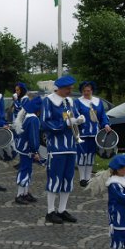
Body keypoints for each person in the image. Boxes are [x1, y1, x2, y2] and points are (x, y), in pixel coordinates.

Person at [41, 75, 84, 224]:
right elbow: (45, 123)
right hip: (56, 148)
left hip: (71, 146)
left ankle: (62, 210)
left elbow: (74, 120)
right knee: (55, 178)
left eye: (71, 88)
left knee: (68, 179)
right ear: (59, 88)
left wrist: (80, 120)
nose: (70, 91)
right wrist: (65, 123)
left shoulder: (70, 102)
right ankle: (50, 211)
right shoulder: (48, 101)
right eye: (67, 89)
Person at [74, 80, 112, 187]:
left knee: (91, 155)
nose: (86, 92)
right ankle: (82, 178)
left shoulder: (98, 102)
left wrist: (106, 124)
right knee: (82, 155)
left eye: (88, 90)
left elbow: (103, 116)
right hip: (82, 134)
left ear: (92, 90)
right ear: (82, 91)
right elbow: (74, 116)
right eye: (84, 91)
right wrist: (78, 120)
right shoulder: (78, 102)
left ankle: (88, 178)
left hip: (95, 134)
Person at [12, 95, 42, 205]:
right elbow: (33, 137)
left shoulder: (27, 116)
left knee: (27, 170)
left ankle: (25, 193)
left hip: (24, 148)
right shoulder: (33, 119)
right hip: (27, 149)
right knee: (25, 170)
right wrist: (35, 151)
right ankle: (19, 195)